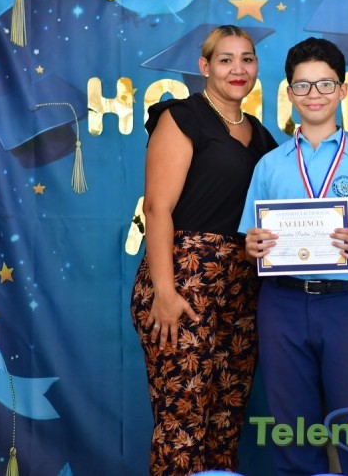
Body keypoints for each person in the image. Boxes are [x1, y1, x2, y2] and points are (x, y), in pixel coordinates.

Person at [239, 37, 348, 476]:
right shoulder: (269, 165)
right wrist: (252, 247)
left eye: (325, 84)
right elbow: (251, 239)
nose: (314, 95)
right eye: (303, 86)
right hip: (282, 304)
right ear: (289, 93)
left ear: (342, 90)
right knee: (292, 431)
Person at [130, 25, 277, 476]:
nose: (238, 68)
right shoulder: (183, 117)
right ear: (205, 66)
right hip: (183, 281)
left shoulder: (262, 136)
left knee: (225, 423)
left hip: (242, 290)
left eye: (247, 58)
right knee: (183, 421)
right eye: (226, 59)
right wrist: (165, 292)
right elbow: (157, 208)